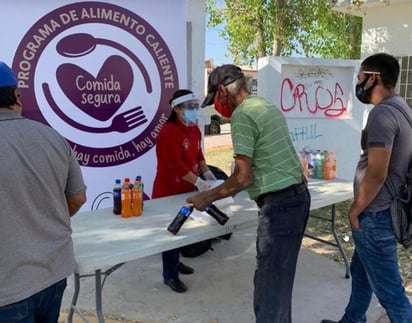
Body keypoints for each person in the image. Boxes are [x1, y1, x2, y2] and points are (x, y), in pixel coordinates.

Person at [187, 64, 311, 323]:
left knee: (269, 291)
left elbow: (243, 177)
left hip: (279, 206)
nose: (218, 108)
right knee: (279, 283)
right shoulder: (264, 105)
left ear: (222, 91)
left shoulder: (243, 115)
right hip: (297, 199)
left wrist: (206, 197)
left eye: (216, 100)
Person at [321, 53, 412, 323]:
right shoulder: (402, 108)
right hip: (383, 212)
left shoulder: (382, 114)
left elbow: (376, 173)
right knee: (361, 274)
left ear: (374, 78)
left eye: (360, 77)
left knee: (390, 292)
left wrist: (355, 210)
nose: (357, 83)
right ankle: (352, 320)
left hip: (375, 215)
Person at [0, 61, 87, 322]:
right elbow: (77, 198)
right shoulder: (53, 137)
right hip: (53, 274)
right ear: (16, 96)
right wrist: (42, 222)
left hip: (7, 288)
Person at [152, 89, 217, 293]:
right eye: (190, 107)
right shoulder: (168, 131)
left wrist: (208, 175)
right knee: (172, 232)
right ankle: (169, 275)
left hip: (188, 190)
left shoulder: (194, 129)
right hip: (168, 191)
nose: (194, 110)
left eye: (196, 106)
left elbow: (199, 155)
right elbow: (174, 166)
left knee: (184, 229)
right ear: (177, 108)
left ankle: (176, 262)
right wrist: (198, 181)